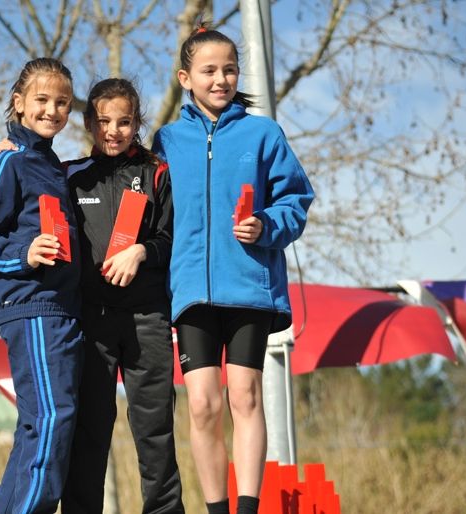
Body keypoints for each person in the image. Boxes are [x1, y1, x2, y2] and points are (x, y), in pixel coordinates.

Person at [0, 78, 185, 514]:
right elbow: (29, 179)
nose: (113, 130)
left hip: (147, 317)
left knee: (154, 428)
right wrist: (5, 149)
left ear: (137, 124)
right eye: (103, 121)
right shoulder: (68, 175)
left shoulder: (158, 174)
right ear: (88, 124)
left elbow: (175, 239)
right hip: (90, 319)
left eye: (125, 122)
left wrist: (142, 251)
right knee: (89, 432)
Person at [151, 25, 315, 514]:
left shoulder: (263, 133)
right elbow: (133, 191)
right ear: (186, 78)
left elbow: (297, 200)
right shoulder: (166, 140)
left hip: (249, 289)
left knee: (244, 396)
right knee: (203, 404)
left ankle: (247, 509)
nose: (221, 79)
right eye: (209, 70)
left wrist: (265, 225)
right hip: (190, 294)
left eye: (229, 69)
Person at [0, 57, 84, 514]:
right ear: (18, 102)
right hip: (32, 305)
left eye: (62, 103)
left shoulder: (51, 165)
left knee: (43, 422)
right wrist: (23, 254)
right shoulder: (10, 161)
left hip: (62, 307)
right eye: (42, 99)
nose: (52, 110)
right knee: (52, 417)